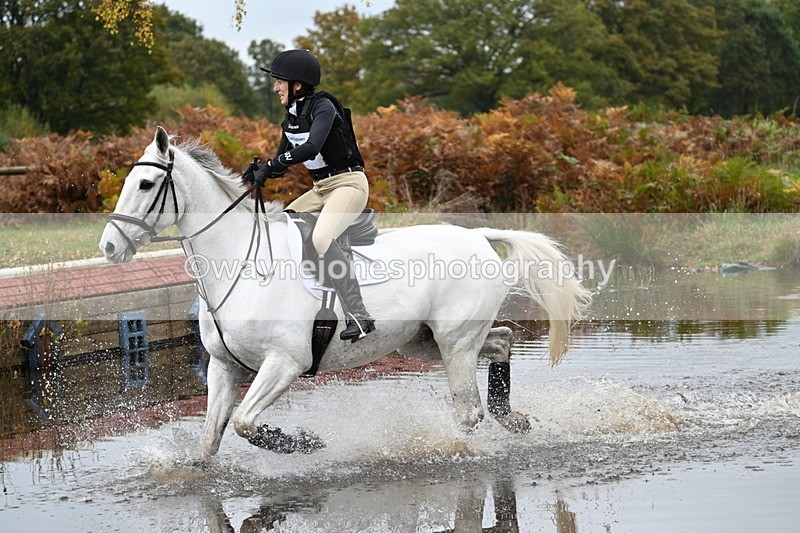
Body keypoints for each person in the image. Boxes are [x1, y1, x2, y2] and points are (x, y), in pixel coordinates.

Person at [244, 49, 375, 341]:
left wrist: (276, 163)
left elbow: (312, 147)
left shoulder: (323, 107)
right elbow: (282, 161)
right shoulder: (291, 117)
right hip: (320, 189)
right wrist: (261, 172)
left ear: (297, 85)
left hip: (348, 185)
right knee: (282, 224)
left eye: (279, 82)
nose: (275, 87)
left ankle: (360, 315)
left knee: (320, 238)